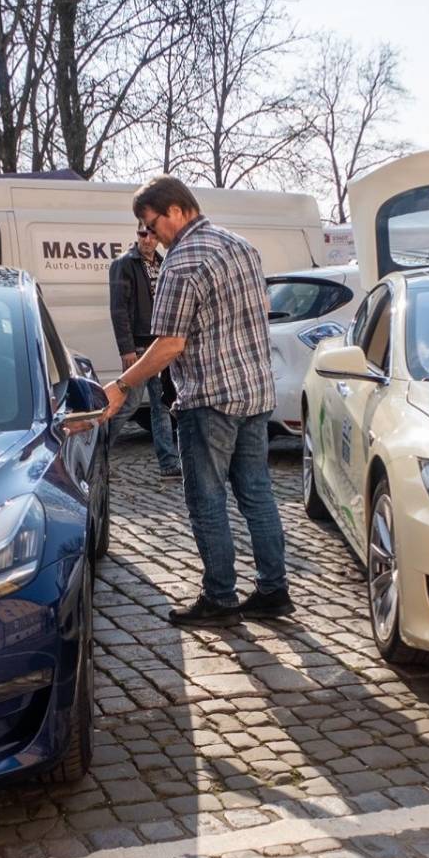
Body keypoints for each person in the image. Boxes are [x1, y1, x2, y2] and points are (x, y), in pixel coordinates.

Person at [97, 175, 290, 627]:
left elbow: (169, 345)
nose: (152, 235)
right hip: (256, 392)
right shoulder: (241, 246)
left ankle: (220, 598)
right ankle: (273, 590)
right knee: (258, 495)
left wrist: (121, 387)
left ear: (177, 211)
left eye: (152, 223)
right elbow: (259, 311)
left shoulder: (182, 261)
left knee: (206, 500)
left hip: (210, 398)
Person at [107, 220, 180, 479]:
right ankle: (98, 457)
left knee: (161, 405)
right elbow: (118, 310)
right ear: (136, 233)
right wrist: (126, 348)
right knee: (128, 404)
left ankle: (168, 463)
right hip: (138, 346)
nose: (147, 239)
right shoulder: (124, 263)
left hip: (158, 344)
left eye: (152, 234)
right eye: (142, 233)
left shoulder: (162, 263)